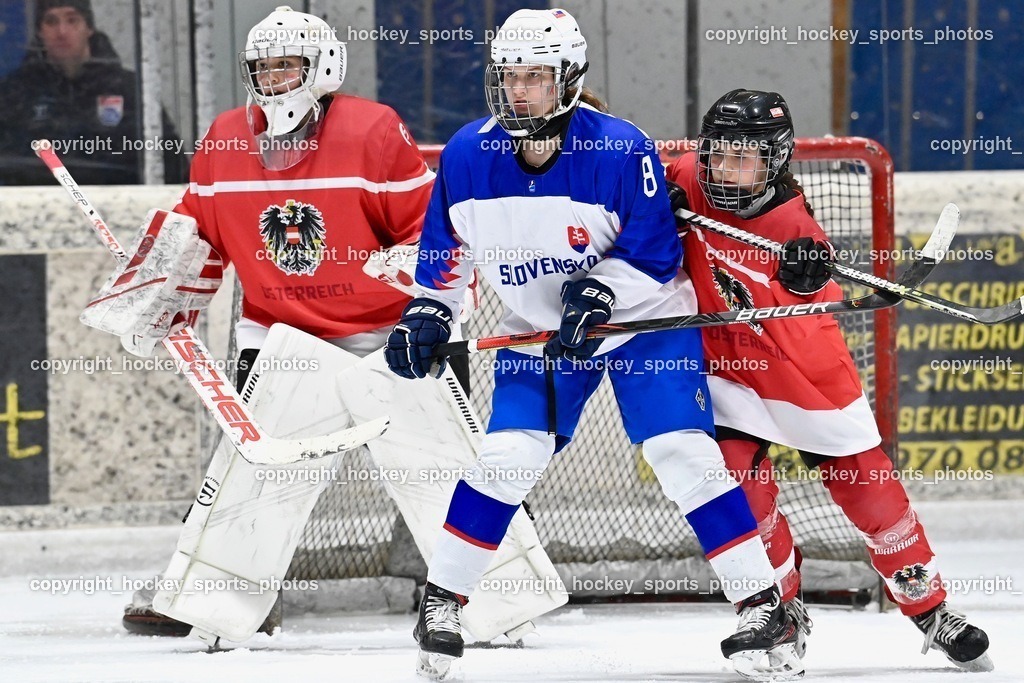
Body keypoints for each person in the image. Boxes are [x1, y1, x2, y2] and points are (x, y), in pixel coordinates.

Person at [385, 9, 802, 680]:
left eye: (535, 78)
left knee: (682, 452)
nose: (519, 92)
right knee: (505, 456)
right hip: (543, 334)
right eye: (509, 76)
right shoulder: (466, 155)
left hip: (639, 326)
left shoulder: (618, 147)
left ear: (569, 80)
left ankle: (762, 605)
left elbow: (657, 254)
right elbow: (444, 257)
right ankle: (443, 602)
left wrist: (604, 289)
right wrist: (427, 313)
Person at [116, 5, 438, 636]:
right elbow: (200, 238)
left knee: (438, 470)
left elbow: (430, 233)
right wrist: (158, 298)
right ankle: (217, 597)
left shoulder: (373, 130)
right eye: (263, 67)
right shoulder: (225, 139)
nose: (274, 78)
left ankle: (474, 589)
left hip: (385, 334)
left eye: (288, 64)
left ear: (323, 67)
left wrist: (410, 298)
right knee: (251, 477)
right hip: (279, 336)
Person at [664, 88, 993, 672]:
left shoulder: (794, 224)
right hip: (726, 370)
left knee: (871, 492)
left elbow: (815, 287)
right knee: (738, 490)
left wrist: (807, 277)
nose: (727, 170)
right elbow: (632, 179)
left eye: (747, 158)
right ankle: (780, 612)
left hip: (804, 373)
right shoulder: (684, 177)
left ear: (776, 160)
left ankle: (929, 608)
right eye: (720, 155)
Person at [0, 0, 185, 185]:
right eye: (51, 22)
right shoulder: (15, 92)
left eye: (72, 20)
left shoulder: (128, 90)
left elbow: (170, 163)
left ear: (89, 28)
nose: (62, 32)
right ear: (40, 32)